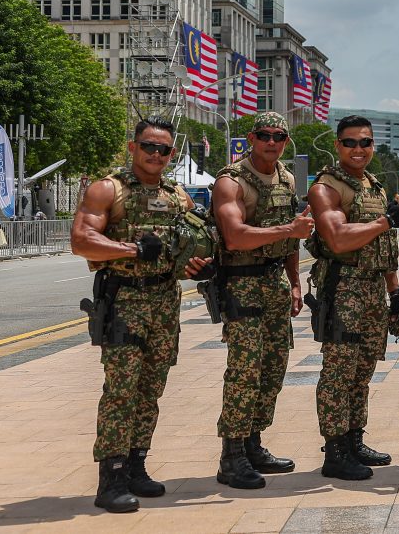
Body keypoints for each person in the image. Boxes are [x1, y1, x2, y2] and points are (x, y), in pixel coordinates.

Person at [71, 117, 212, 513]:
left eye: (164, 149)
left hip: (165, 301)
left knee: (151, 387)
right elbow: (82, 240)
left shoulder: (177, 195)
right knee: (121, 390)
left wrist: (199, 267)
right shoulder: (108, 189)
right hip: (125, 301)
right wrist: (131, 250)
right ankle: (111, 476)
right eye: (148, 146)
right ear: (133, 148)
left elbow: (183, 249)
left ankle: (136, 464)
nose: (156, 154)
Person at [211, 112, 314, 490]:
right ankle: (231, 454)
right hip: (242, 283)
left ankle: (253, 441)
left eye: (280, 136)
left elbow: (292, 239)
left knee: (273, 367)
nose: (272, 142)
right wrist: (289, 229)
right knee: (244, 371)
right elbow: (235, 236)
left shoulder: (286, 178)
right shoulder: (232, 181)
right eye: (265, 135)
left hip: (273, 282)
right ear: (251, 138)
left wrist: (294, 281)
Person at [306, 115, 399, 480]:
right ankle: (334, 450)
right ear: (338, 146)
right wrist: (385, 222)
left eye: (365, 142)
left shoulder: (374, 186)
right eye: (350, 142)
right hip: (343, 289)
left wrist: (395, 293)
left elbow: (385, 248)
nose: (358, 149)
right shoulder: (326, 187)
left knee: (363, 370)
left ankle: (353, 438)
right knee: (338, 371)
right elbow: (336, 238)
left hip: (372, 289)